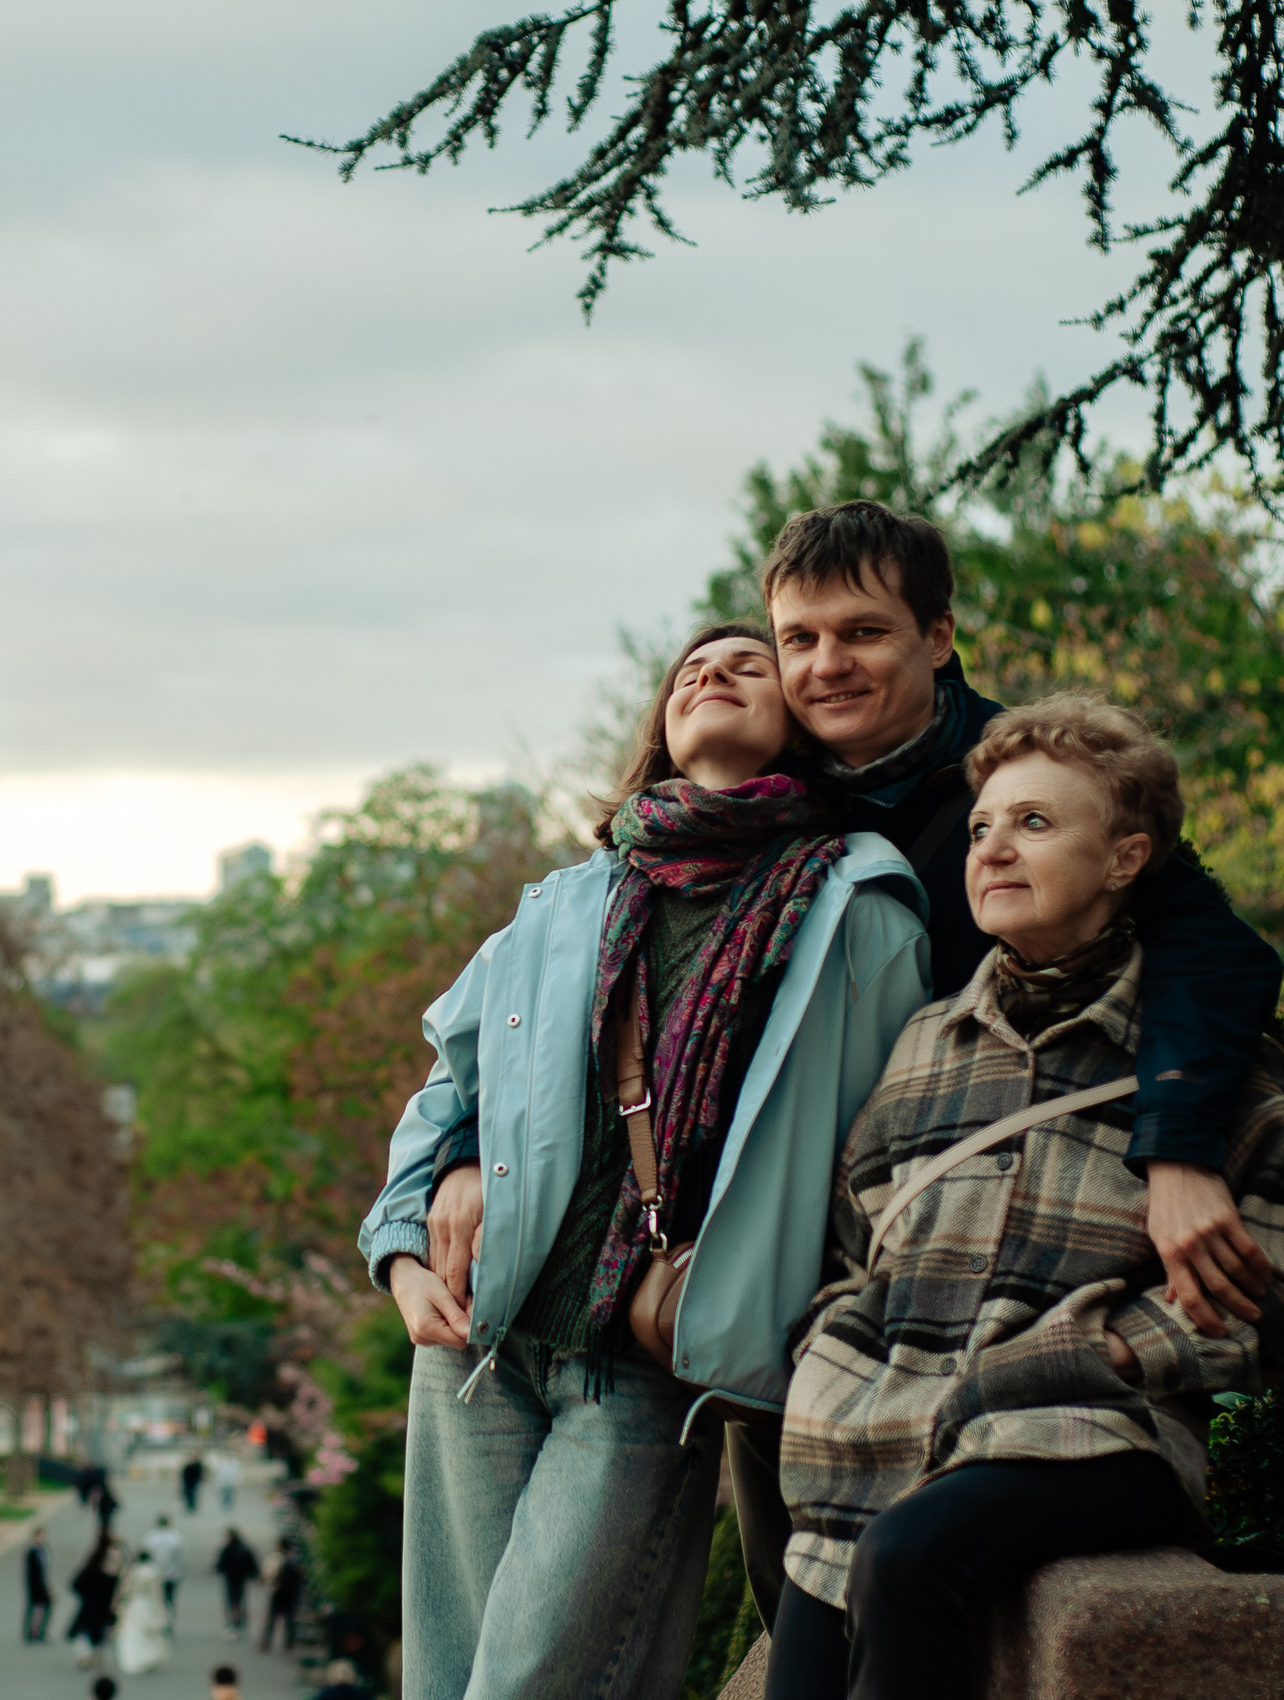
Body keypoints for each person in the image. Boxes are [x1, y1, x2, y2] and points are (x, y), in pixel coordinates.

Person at [360, 621, 932, 1700]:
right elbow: (451, 1088)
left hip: (642, 1358)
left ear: (794, 721)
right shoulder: (566, 899)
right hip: (480, 1332)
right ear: (662, 729)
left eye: (747, 665)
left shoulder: (854, 901)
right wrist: (402, 1246)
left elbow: (877, 1157)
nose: (711, 674)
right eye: (689, 673)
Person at [768, 695, 1284, 1700]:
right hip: (869, 1438)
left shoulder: (1215, 1073)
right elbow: (853, 1247)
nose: (991, 848)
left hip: (1086, 1431)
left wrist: (1097, 1353)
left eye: (1033, 822)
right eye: (982, 826)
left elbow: (1274, 1297)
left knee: (909, 1553)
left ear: (1125, 858)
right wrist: (834, 1357)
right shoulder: (923, 1043)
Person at [759, 501, 1284, 1328]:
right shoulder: (753, 798)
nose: (828, 665)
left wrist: (1179, 1150)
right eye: (799, 639)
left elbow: (1212, 949)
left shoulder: (1035, 779)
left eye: (863, 632)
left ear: (938, 637)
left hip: (990, 1215)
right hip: (786, 1228)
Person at [67, 1537, 124, 1671]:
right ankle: (84, 1657)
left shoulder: (115, 1577)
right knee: (85, 1633)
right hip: (90, 1608)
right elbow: (76, 1585)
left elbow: (118, 1594)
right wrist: (89, 1596)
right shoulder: (93, 1572)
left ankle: (92, 1656)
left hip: (104, 1610)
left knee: (100, 1635)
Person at [115, 1555, 173, 1675]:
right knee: (148, 1634)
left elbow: (124, 1591)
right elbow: (157, 1594)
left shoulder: (131, 1572)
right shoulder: (152, 1572)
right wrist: (163, 1611)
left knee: (133, 1634)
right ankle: (148, 1659)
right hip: (147, 1605)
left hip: (133, 1605)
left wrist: (121, 1607)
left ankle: (135, 1659)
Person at [212, 1527, 259, 1638]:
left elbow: (220, 1565)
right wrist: (253, 1574)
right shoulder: (245, 1548)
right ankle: (240, 1622)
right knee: (240, 1601)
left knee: (232, 1602)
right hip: (241, 1579)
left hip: (230, 1579)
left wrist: (218, 1569)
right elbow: (252, 1564)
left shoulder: (227, 1549)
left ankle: (234, 1623)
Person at [259, 1538, 305, 1652]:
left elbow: (271, 1575)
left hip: (280, 1592)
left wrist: (275, 1585)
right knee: (289, 1618)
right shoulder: (295, 1559)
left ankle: (267, 1641)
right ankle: (289, 1642)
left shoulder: (280, 1559)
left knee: (272, 1618)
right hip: (291, 1593)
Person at [141, 1513, 186, 1627]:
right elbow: (180, 1558)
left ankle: (158, 1621)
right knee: (169, 1599)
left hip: (154, 1574)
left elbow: (145, 1556)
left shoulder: (150, 1538)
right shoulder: (176, 1538)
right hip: (172, 1574)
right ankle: (169, 1621)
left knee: (156, 1599)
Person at [23, 1526, 54, 1643]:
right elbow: (32, 1572)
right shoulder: (32, 1552)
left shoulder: (43, 1550)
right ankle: (31, 1632)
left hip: (42, 1583)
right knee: (33, 1607)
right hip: (35, 1585)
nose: (43, 1538)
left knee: (45, 1606)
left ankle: (38, 1631)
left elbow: (45, 1570)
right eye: (40, 1535)